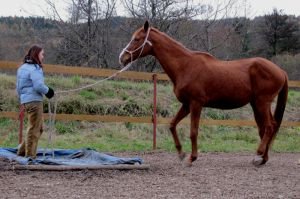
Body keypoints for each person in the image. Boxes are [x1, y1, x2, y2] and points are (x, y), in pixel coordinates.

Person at [16, 45, 54, 159]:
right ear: (37, 54)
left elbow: (18, 87)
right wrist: (49, 92)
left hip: (26, 101)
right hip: (35, 101)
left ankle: (22, 151)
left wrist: (23, 99)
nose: (43, 57)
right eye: (42, 54)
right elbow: (38, 86)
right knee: (34, 129)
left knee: (38, 128)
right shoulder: (35, 68)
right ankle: (30, 156)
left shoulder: (22, 68)